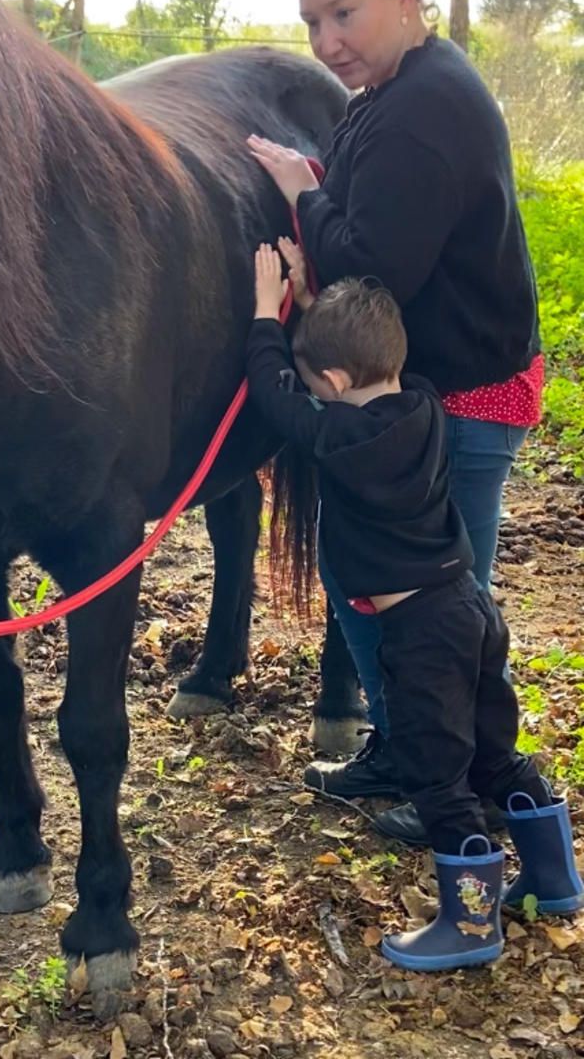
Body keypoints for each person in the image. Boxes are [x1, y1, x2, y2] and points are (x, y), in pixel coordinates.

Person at [246, 0, 543, 845]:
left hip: (465, 393)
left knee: (445, 609)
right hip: (422, 383)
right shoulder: (391, 90)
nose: (326, 41)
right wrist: (321, 192)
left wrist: (304, 193)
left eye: (344, 13)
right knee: (373, 576)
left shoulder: (424, 110)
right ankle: (406, 744)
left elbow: (374, 264)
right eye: (312, 21)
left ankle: (463, 788)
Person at [246, 243, 582, 970]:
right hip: (470, 610)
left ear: (335, 382)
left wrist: (266, 314)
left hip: (420, 634)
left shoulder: (342, 435)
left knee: (436, 778)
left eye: (321, 380)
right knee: (494, 753)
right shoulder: (423, 403)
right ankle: (554, 879)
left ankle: (471, 926)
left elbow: (276, 398)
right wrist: (315, 308)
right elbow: (346, 368)